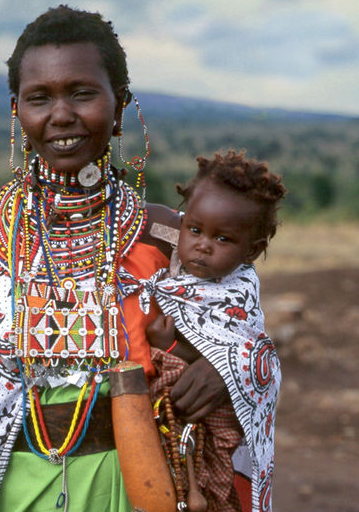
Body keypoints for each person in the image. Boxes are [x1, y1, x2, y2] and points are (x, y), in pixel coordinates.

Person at [0, 6, 226, 512]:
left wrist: (223, 370)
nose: (61, 115)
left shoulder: (173, 238)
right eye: (40, 98)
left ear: (119, 106)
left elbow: (244, 338)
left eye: (82, 93)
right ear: (18, 112)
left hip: (136, 482)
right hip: (9, 488)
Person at [121, 150, 286, 512]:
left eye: (223, 239)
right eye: (194, 230)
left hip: (203, 423)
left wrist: (170, 346)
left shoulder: (236, 290)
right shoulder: (166, 267)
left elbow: (228, 354)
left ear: (252, 251)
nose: (202, 245)